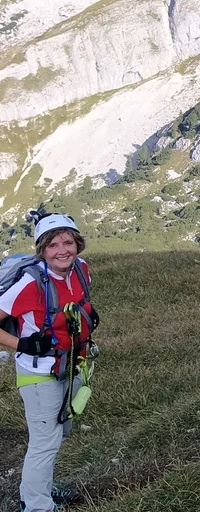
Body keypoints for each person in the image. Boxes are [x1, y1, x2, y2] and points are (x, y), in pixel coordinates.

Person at [0, 213, 98, 512]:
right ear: (42, 250)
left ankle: (38, 486)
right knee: (46, 441)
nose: (62, 250)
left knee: (60, 432)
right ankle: (36, 505)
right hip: (38, 373)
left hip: (71, 365)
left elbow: (76, 302)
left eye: (68, 242)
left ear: (77, 244)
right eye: (53, 245)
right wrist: (24, 344)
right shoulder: (30, 284)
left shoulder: (80, 269)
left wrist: (89, 316)